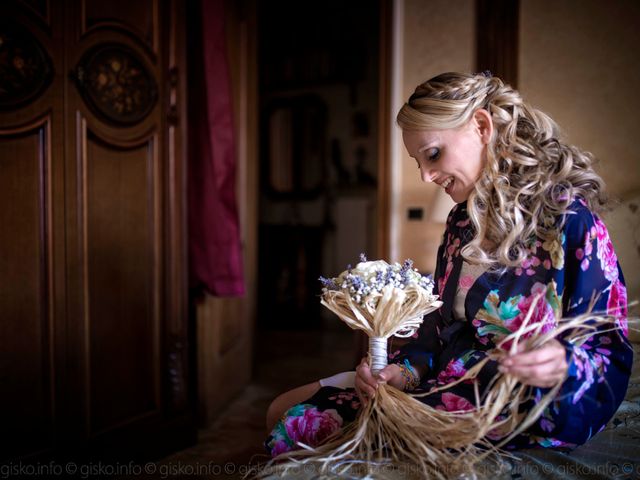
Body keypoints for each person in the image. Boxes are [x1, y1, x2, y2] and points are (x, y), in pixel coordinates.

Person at [264, 72, 633, 457]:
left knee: (296, 428)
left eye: (434, 154)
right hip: (444, 382)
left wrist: (562, 367)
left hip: (510, 406)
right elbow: (438, 328)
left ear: (481, 126)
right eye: (418, 161)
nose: (426, 175)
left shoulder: (571, 222)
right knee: (283, 412)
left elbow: (608, 353)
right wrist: (402, 372)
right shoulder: (461, 221)